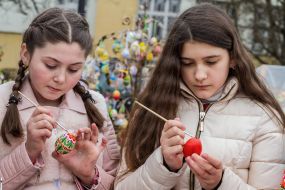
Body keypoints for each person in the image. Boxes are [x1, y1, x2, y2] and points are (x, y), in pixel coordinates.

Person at [114, 3, 285, 190]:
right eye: (187, 63)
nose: (199, 75)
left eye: (211, 62)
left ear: (233, 58)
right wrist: (163, 165)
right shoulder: (152, 108)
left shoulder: (264, 117)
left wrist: (220, 183)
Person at [0, 7, 120, 190]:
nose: (61, 79)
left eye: (73, 69)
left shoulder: (96, 105)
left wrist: (88, 174)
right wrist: (29, 151)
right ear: (26, 54)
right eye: (50, 65)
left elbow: (117, 183)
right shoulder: (2, 101)